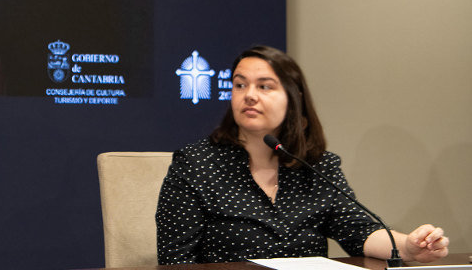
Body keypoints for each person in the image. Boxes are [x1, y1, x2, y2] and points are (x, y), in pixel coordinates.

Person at [155, 45, 449, 264]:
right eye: (240, 84)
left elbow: (359, 231)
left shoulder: (317, 165)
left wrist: (408, 246)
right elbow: (175, 260)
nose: (249, 95)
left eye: (264, 86)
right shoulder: (195, 164)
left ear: (294, 99)